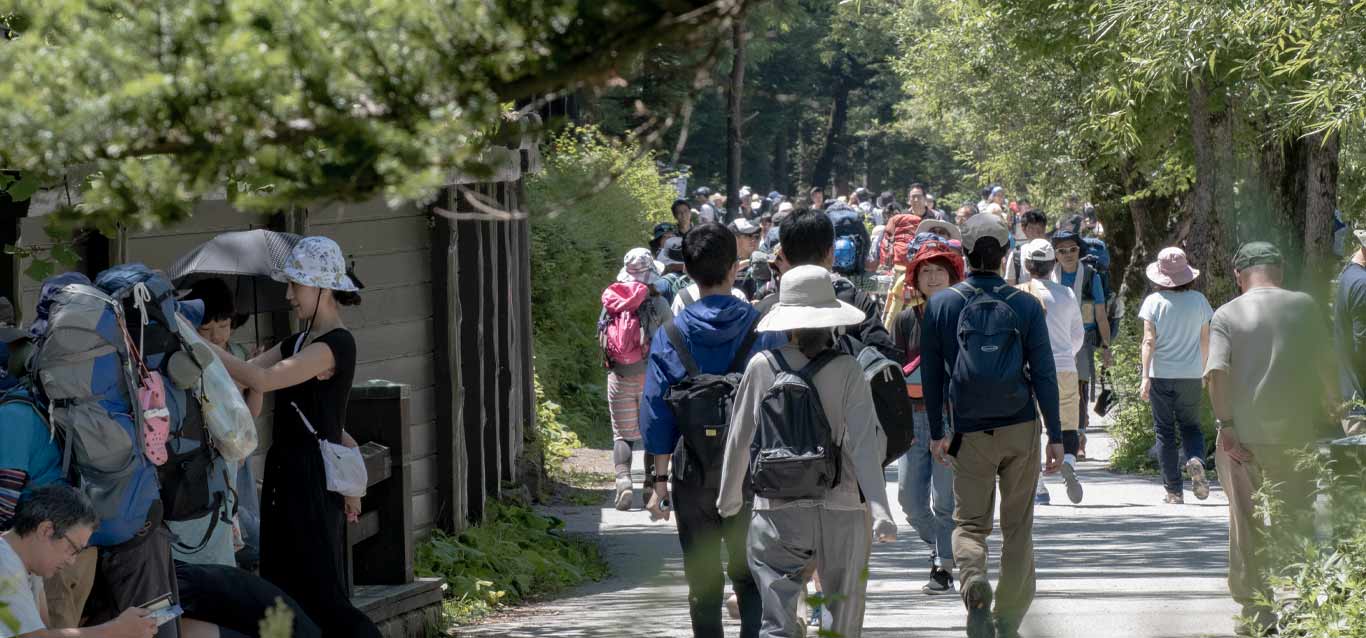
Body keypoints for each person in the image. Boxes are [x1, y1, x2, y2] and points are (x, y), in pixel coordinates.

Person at [211, 236, 381, 638]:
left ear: (324, 288)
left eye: (296, 285)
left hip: (310, 476)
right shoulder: (299, 342)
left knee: (321, 588)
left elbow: (266, 377)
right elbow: (248, 376)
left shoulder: (336, 344)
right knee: (283, 584)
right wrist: (229, 361)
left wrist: (203, 346)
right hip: (285, 470)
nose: (288, 295)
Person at [717, 265, 896, 638]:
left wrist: (729, 497)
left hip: (778, 507)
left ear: (786, 321)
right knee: (841, 615)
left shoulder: (761, 366)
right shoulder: (848, 369)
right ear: (832, 321)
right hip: (842, 507)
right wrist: (880, 509)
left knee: (777, 619)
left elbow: (739, 437)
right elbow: (863, 444)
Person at [639, 223, 785, 638]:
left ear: (686, 269)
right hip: (752, 470)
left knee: (702, 577)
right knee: (750, 572)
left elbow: (656, 410)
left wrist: (659, 481)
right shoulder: (763, 327)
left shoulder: (670, 333)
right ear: (736, 268)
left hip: (692, 469)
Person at [921, 213, 1062, 638]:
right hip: (1020, 426)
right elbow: (1044, 373)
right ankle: (1008, 617)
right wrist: (1056, 434)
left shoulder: (942, 305)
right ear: (1006, 255)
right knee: (1018, 526)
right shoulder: (1025, 305)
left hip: (969, 430)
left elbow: (932, 376)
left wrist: (935, 432)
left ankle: (972, 581)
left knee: (969, 525)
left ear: (963, 254)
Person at [1205, 242, 1337, 636]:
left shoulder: (1226, 314)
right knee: (1294, 518)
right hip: (1296, 436)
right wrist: (1338, 409)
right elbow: (1326, 367)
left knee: (1245, 523)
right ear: (1279, 270)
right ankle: (1299, 605)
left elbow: (1217, 372)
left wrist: (1226, 426)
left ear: (1239, 275)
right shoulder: (1305, 307)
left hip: (1243, 440)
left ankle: (1255, 611)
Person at [889, 240, 965, 594]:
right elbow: (892, 371)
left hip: (951, 418)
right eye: (925, 271)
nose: (932, 277)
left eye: (939, 271)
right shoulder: (905, 320)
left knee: (944, 501)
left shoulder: (964, 315)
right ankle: (944, 549)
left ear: (953, 276)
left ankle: (942, 566)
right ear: (915, 279)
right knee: (909, 500)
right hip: (913, 417)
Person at [2, 485, 157, 638]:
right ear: (46, 531)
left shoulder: (29, 564)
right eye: (73, 549)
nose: (72, 561)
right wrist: (114, 630)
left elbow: (45, 630)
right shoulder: (4, 563)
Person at [171, 279, 249, 569]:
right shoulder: (188, 359)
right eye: (205, 330)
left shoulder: (237, 356)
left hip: (236, 449)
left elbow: (249, 410)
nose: (216, 337)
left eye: (224, 325)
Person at [1137, 247, 1214, 504]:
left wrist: (1145, 376)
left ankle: (1173, 491)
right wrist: (1205, 371)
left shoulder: (1153, 302)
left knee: (1164, 431)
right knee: (1191, 426)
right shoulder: (1200, 301)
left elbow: (1149, 341)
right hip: (1191, 375)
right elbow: (1205, 341)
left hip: (1160, 375)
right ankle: (1195, 459)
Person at [1015, 239, 1087, 505]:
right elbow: (1077, 336)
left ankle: (1039, 487)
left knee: (1031, 425)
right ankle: (1068, 460)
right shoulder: (1066, 294)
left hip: (1027, 369)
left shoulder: (1018, 293)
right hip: (1063, 366)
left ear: (1026, 265)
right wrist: (1066, 353)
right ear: (1052, 263)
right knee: (1066, 422)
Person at [601, 249, 673, 510]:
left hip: (619, 374)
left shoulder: (612, 302)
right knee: (653, 433)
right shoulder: (660, 303)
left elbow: (602, 336)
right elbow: (672, 340)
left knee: (622, 435)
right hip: (651, 377)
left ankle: (623, 482)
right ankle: (650, 485)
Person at [1051, 230, 1111, 456]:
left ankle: (1078, 439)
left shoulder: (1091, 276)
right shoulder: (1049, 275)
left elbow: (1100, 314)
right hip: (1054, 338)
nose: (1068, 254)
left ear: (1079, 251)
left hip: (1083, 340)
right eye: (1062, 251)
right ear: (1055, 254)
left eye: (1073, 249)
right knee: (1055, 389)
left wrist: (1106, 346)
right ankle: (1061, 436)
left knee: (1080, 388)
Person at [1335, 229, 1366, 436]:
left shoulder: (1349, 275)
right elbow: (1362, 347)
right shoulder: (1361, 283)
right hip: (1360, 404)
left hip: (1353, 396)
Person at [1004, 211, 1048, 285]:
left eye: (1040, 227)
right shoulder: (1016, 255)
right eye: (1032, 228)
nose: (1037, 232)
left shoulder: (1057, 253)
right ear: (1024, 229)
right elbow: (1010, 285)